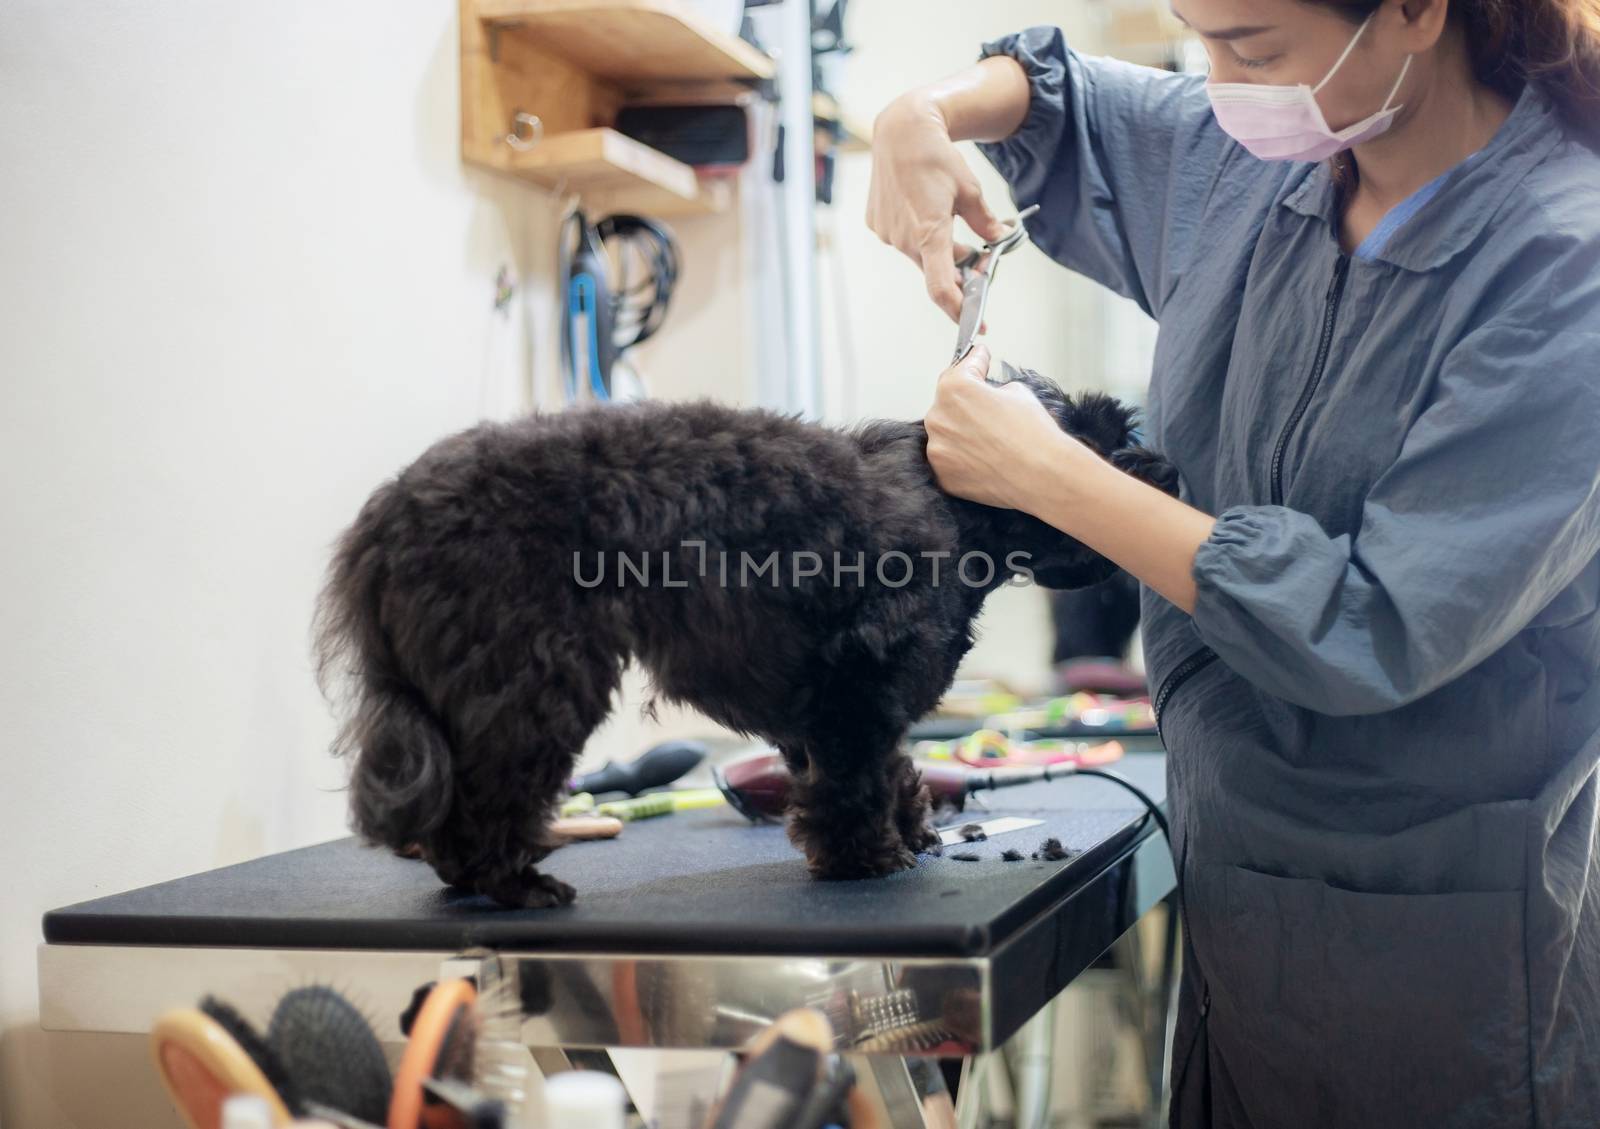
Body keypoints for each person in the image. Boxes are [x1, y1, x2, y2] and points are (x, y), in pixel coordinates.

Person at [867, 1, 1600, 1125]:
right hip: (1241, 899)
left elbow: (1371, 621)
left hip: (1450, 942)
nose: (1214, 84)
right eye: (1196, 37)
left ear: (1414, 11)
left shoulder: (1567, 267)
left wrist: (1049, 475)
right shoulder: (1263, 169)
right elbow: (1074, 103)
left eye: (1249, 48)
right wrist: (922, 114)